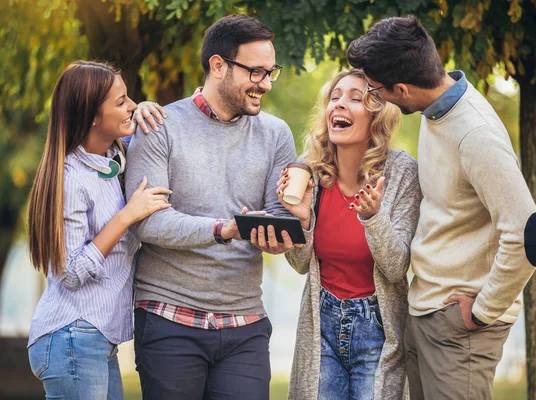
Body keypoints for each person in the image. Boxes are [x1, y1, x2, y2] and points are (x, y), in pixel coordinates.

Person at [347, 16, 536, 400]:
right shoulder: (436, 110)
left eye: (375, 92)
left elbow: (528, 235)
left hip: (461, 328)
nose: (377, 99)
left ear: (401, 89)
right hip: (426, 310)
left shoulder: (474, 134)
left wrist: (484, 310)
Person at [124, 14, 297, 399]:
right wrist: (224, 229)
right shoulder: (160, 126)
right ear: (218, 65)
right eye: (256, 72)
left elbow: (279, 217)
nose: (265, 84)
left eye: (271, 72)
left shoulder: (276, 134)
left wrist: (280, 236)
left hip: (245, 321)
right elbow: (148, 223)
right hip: (170, 316)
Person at [26, 60, 171, 399]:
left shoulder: (113, 160)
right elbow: (71, 273)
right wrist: (126, 216)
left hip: (95, 337)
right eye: (121, 101)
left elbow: (150, 134)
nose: (131, 106)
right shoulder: (70, 179)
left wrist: (147, 110)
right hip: (72, 335)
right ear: (92, 115)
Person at [278, 69, 421, 400]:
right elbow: (300, 264)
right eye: (335, 97)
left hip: (377, 327)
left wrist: (372, 217)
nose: (339, 105)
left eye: (355, 98)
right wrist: (301, 219)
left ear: (377, 116)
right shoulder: (311, 172)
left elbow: (396, 267)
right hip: (321, 323)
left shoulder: (401, 173)